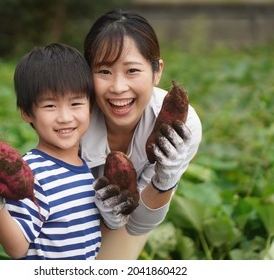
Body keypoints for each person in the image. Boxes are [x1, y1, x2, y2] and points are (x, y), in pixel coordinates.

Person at [79, 9, 202, 259]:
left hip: (135, 218)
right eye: (104, 71)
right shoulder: (73, 118)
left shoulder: (181, 125)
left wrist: (165, 177)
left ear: (157, 72)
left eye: (132, 70)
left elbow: (139, 225)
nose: (118, 87)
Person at [0, 43, 101, 260]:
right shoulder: (30, 173)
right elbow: (16, 248)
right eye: (50, 106)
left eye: (76, 103)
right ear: (27, 113)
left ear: (91, 106)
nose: (65, 117)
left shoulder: (87, 165)